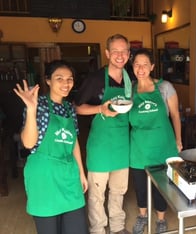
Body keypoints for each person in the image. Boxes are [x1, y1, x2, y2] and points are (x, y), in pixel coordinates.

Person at [13, 60, 88, 234]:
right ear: (48, 80)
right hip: (44, 176)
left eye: (69, 79)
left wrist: (81, 172)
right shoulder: (38, 105)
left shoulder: (70, 108)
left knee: (77, 229)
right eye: (59, 78)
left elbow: (74, 140)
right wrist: (31, 109)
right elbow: (28, 142)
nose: (66, 83)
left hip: (68, 174)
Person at [74, 34, 132, 234]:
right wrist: (101, 109)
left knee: (119, 191)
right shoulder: (96, 78)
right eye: (115, 51)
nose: (120, 55)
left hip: (122, 145)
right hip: (100, 146)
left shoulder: (130, 79)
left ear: (129, 54)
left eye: (124, 51)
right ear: (107, 53)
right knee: (97, 194)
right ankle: (98, 229)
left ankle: (117, 227)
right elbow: (78, 108)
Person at [129, 48, 182, 234]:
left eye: (144, 64)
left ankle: (160, 219)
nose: (140, 68)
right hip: (139, 148)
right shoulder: (130, 90)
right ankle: (142, 216)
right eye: (136, 64)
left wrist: (178, 140)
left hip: (163, 146)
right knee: (141, 187)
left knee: (161, 187)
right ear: (132, 66)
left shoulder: (165, 87)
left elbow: (175, 115)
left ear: (152, 66)